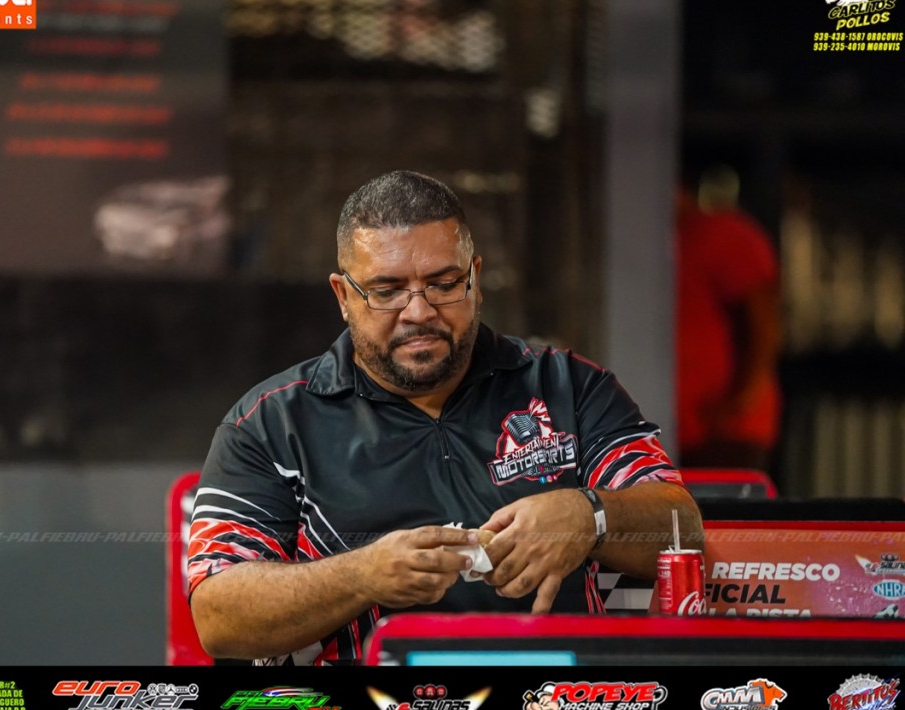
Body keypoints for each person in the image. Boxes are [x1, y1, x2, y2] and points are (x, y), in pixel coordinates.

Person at [187, 170, 703, 665]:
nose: (419, 312)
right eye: (387, 291)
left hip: (554, 700)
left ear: (475, 278)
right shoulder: (271, 424)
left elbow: (683, 528)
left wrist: (590, 515)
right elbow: (217, 616)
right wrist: (362, 576)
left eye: (443, 283)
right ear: (344, 296)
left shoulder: (569, 387)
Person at [676, 166, 783, 473]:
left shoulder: (720, 234)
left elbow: (764, 322)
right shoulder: (662, 247)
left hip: (719, 435)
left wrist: (741, 401)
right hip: (669, 434)